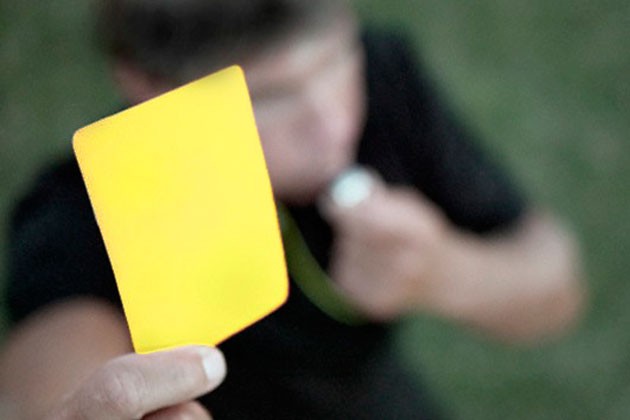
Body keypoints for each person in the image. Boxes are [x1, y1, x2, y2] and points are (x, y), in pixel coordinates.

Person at [0, 0, 585, 418]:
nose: (330, 124)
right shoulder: (85, 211)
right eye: (268, 97)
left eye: (335, 60)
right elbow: (49, 377)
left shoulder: (385, 76)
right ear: (146, 85)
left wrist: (445, 272)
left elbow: (557, 285)